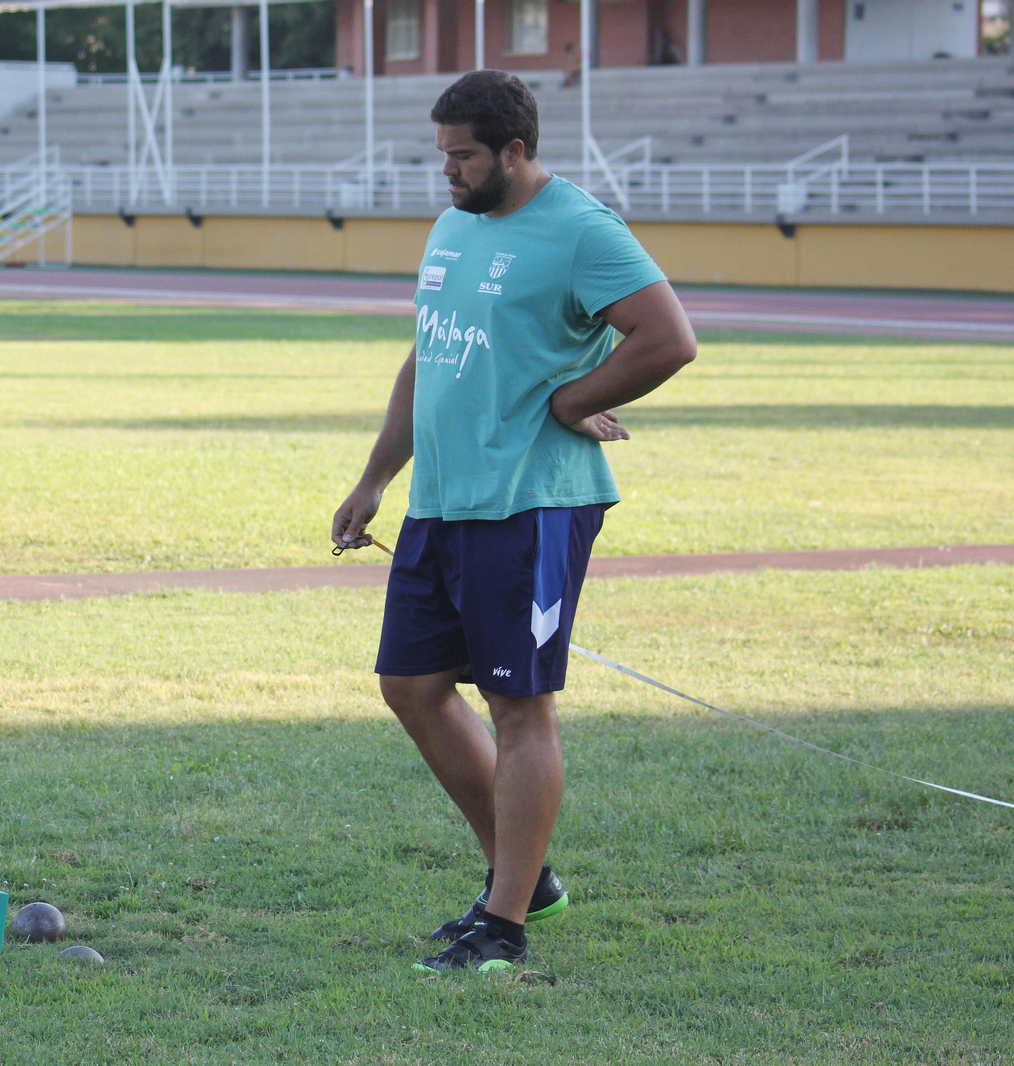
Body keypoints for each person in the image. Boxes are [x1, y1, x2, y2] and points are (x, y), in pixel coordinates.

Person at [331, 71, 696, 973]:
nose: (447, 171)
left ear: (515, 151)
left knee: (521, 707)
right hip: (444, 500)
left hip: (534, 502)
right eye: (443, 153)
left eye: (464, 156)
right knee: (411, 685)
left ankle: (506, 924)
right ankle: (525, 879)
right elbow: (429, 354)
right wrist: (377, 475)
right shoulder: (453, 227)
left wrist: (575, 398)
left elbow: (668, 336)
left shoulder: (580, 230)